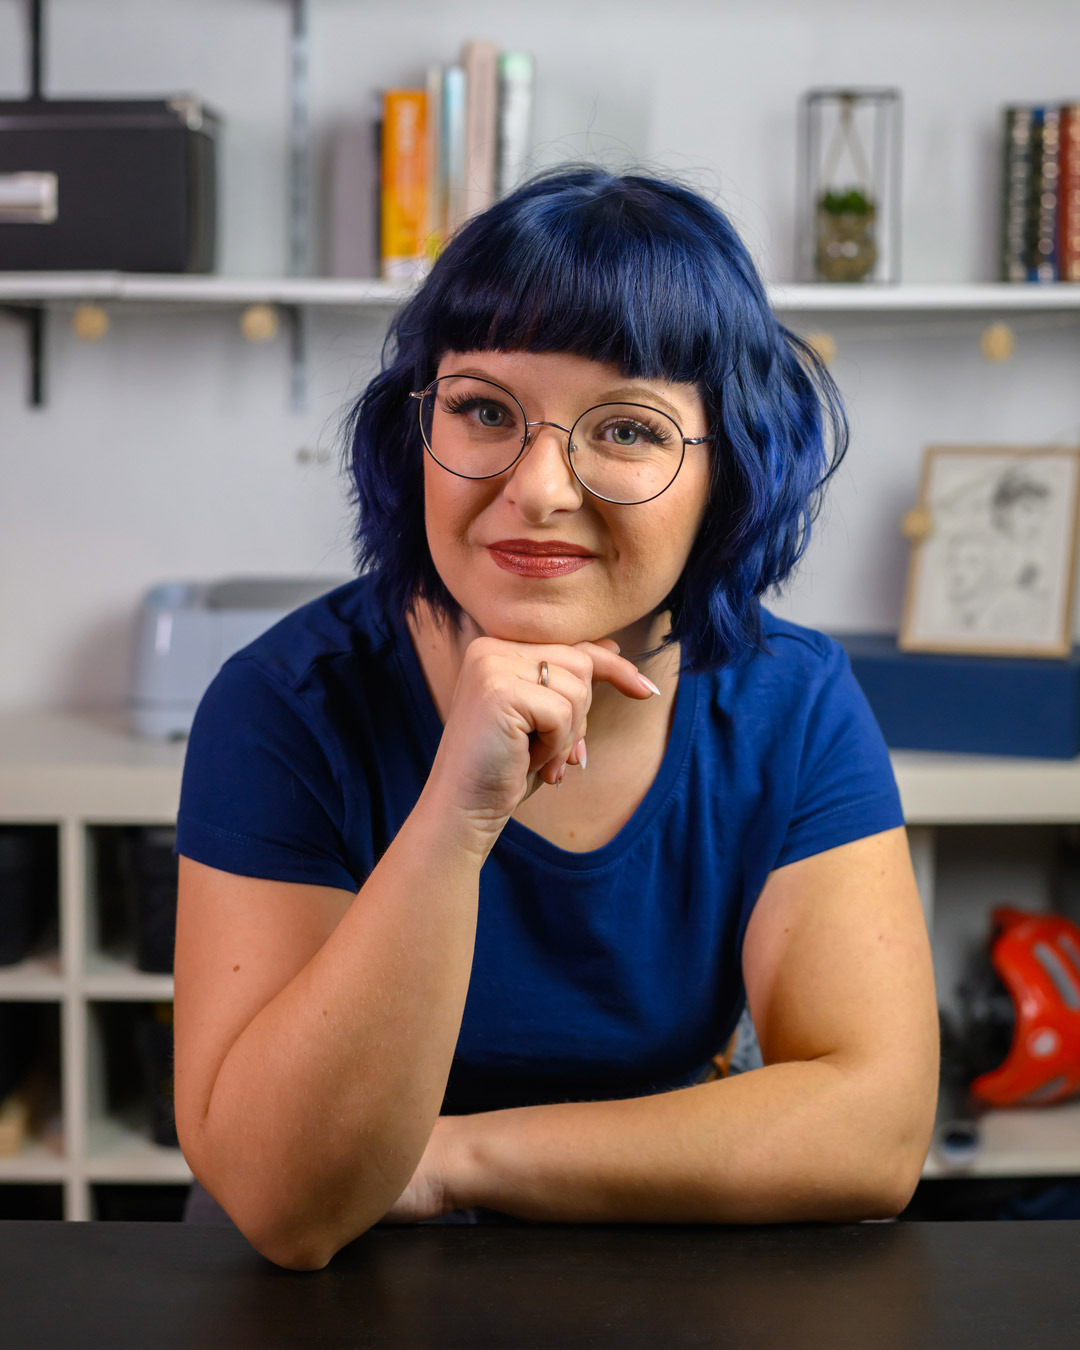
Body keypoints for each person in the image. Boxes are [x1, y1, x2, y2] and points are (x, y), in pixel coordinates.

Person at [172, 166, 940, 1271]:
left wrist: (444, 1163)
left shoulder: (791, 702)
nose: (539, 487)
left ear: (731, 472)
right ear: (413, 432)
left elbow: (873, 1134)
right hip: (342, 1277)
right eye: (485, 410)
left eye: (625, 430)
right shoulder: (286, 704)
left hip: (650, 1242)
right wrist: (458, 814)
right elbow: (290, 1202)